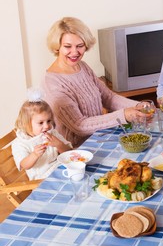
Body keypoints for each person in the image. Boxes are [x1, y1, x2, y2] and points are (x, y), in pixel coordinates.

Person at [42, 17, 150, 148]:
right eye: (67, 46)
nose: (75, 52)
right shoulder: (53, 83)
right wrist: (124, 115)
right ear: (57, 47)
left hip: (99, 138)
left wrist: (139, 106)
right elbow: (79, 126)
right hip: (76, 150)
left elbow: (108, 97)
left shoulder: (82, 66)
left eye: (80, 46)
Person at [12, 90, 73, 180]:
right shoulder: (20, 143)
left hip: (61, 170)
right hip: (43, 179)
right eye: (41, 123)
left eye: (48, 121)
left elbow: (69, 152)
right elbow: (24, 165)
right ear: (27, 123)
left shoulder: (52, 133)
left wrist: (59, 145)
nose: (47, 126)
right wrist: (34, 155)